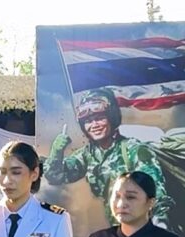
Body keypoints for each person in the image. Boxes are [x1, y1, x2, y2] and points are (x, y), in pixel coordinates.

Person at [46, 88, 169, 225]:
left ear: (112, 119)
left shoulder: (135, 150)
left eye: (99, 118)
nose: (94, 125)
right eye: (88, 121)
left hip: (143, 226)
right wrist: (56, 152)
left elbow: (157, 196)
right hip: (118, 227)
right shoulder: (87, 155)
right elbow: (55, 177)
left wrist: (158, 230)